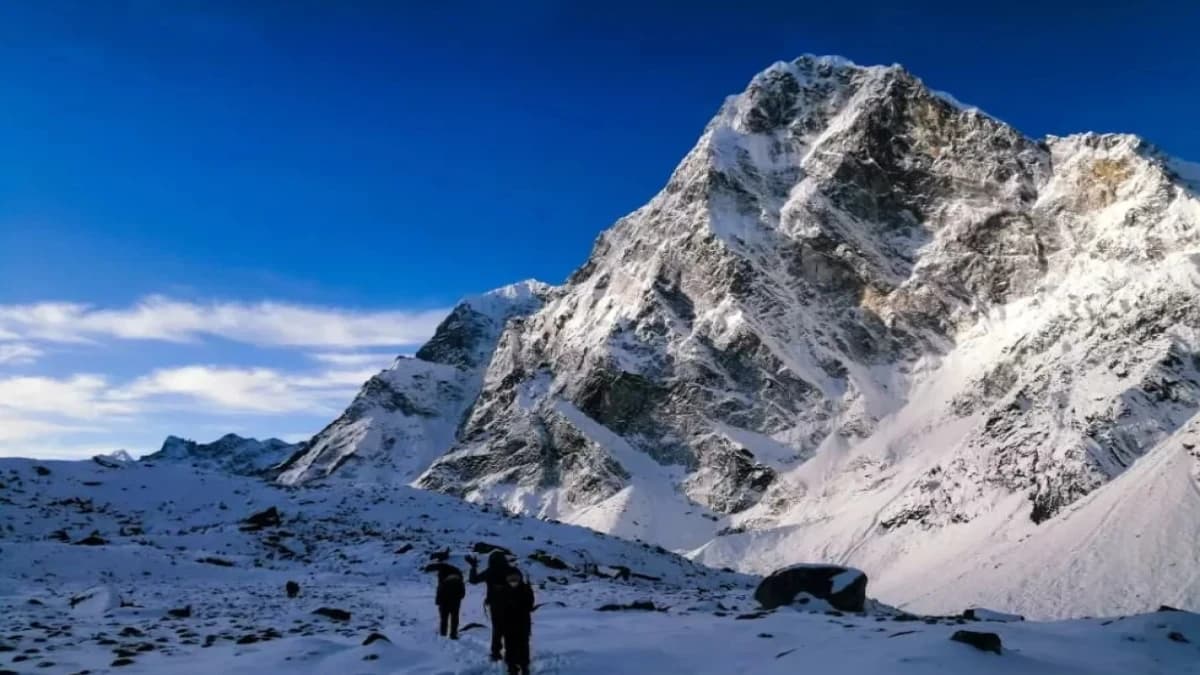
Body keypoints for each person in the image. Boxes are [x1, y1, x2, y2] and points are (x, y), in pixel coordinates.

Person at [467, 550, 513, 661]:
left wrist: (473, 567)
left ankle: (496, 653)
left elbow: (473, 580)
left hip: (495, 605)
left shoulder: (490, 571)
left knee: (497, 629)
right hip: (511, 604)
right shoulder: (510, 570)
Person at [490, 568, 534, 675]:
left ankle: (524, 667)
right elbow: (500, 608)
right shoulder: (502, 590)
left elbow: (530, 605)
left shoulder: (525, 588)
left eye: (516, 578)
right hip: (508, 624)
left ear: (520, 578)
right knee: (510, 646)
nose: (513, 581)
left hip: (522, 623)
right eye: (511, 579)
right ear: (506, 579)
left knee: (523, 646)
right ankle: (512, 667)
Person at [434, 564, 465, 639]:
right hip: (456, 601)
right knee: (455, 618)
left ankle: (443, 634)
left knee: (444, 618)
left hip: (444, 601)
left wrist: (438, 601)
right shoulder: (458, 574)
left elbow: (440, 589)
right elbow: (462, 590)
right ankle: (453, 635)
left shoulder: (442, 574)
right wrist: (459, 597)